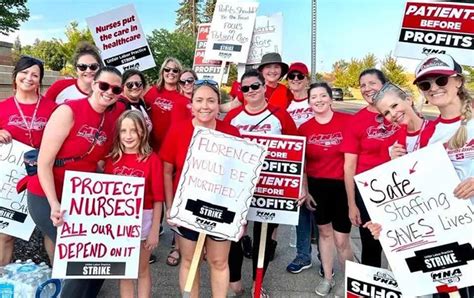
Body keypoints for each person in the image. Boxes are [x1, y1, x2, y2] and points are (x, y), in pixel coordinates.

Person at [366, 54, 473, 298]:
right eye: (426, 84)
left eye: (441, 81)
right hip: (449, 237)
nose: (434, 88)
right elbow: (419, 195)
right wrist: (386, 222)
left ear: (457, 81)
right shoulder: (429, 133)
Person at [27, 66, 125, 298]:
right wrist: (53, 203)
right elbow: (44, 163)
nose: (109, 91)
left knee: (102, 256)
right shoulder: (68, 111)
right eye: (104, 85)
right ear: (93, 84)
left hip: (81, 197)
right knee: (80, 257)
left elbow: (101, 161)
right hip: (47, 193)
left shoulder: (113, 117)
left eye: (115, 88)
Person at [160, 80, 240, 298]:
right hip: (187, 208)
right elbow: (167, 171)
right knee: (189, 261)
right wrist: (170, 207)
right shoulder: (178, 130)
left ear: (218, 104)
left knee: (219, 261)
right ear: (191, 104)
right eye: (199, 100)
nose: (205, 106)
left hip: (221, 210)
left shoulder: (231, 132)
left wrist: (239, 218)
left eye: (211, 101)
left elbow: (241, 177)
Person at [224, 69, 300, 297]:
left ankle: (259, 282)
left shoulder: (281, 116)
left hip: (273, 187)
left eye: (255, 86)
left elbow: (297, 150)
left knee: (264, 237)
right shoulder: (233, 117)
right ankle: (234, 280)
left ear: (264, 87)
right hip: (238, 188)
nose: (250, 92)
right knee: (235, 233)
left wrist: (300, 185)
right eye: (245, 88)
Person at [298, 82, 354, 296]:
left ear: (331, 99)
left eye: (323, 96)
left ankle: (351, 282)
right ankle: (328, 277)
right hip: (317, 186)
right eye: (314, 97)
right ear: (309, 101)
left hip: (342, 185)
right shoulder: (305, 128)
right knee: (324, 233)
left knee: (342, 239)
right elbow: (301, 163)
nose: (319, 100)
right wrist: (305, 189)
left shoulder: (347, 122)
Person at [0, 56, 56, 265]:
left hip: (45, 176)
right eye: (24, 72)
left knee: (50, 230)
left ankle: (59, 282)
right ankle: (2, 280)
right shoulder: (2, 107)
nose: (29, 78)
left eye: (35, 74)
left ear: (40, 80)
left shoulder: (53, 108)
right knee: (5, 234)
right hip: (10, 179)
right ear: (15, 77)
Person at [340, 69, 398, 268]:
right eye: (363, 85)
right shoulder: (356, 121)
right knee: (371, 246)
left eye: (372, 83)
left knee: (402, 245)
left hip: (402, 190)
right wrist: (351, 203)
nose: (367, 89)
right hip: (368, 194)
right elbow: (349, 166)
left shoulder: (401, 114)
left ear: (384, 84)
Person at [104, 110, 163, 298]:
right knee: (124, 272)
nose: (128, 136)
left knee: (141, 270)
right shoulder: (112, 160)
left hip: (143, 220)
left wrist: (154, 230)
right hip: (118, 223)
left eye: (134, 131)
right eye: (123, 131)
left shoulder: (152, 160)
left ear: (142, 133)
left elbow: (158, 198)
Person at [285, 62, 320, 276]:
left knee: (322, 215)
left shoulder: (316, 101)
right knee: (301, 213)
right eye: (292, 76)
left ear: (307, 79)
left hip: (319, 164)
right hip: (297, 166)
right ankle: (303, 255)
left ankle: (324, 258)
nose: (296, 80)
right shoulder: (285, 106)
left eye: (300, 76)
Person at [220, 52, 293, 112]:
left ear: (281, 70)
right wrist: (214, 108)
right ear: (262, 70)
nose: (273, 71)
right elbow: (232, 105)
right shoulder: (249, 87)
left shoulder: (287, 92)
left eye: (276, 67)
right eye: (268, 67)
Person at [144, 57, 190, 151]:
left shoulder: (184, 96)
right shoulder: (153, 91)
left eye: (175, 70)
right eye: (167, 69)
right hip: (151, 146)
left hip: (172, 147)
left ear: (179, 74)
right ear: (162, 72)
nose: (171, 73)